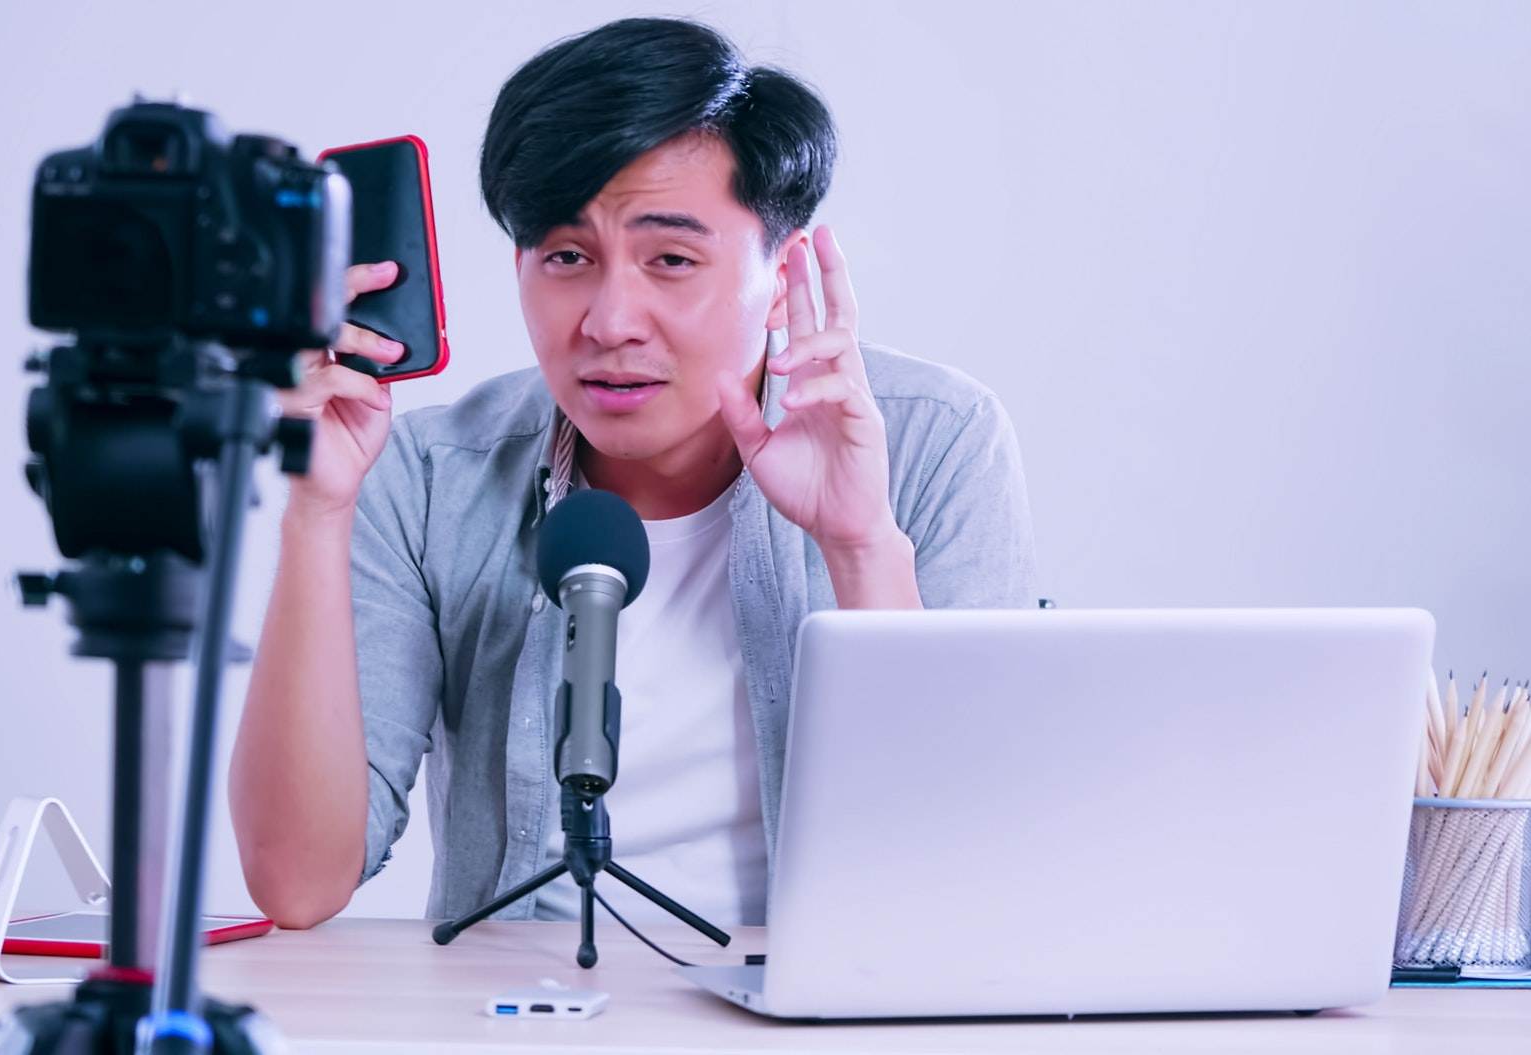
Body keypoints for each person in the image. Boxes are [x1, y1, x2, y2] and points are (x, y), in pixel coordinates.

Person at [229, 17, 1037, 931]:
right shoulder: (425, 472)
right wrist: (316, 507)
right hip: (513, 1017)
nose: (612, 319)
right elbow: (298, 881)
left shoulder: (934, 441)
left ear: (784, 271)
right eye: (567, 257)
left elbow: (969, 870)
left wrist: (860, 545)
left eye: (672, 260)